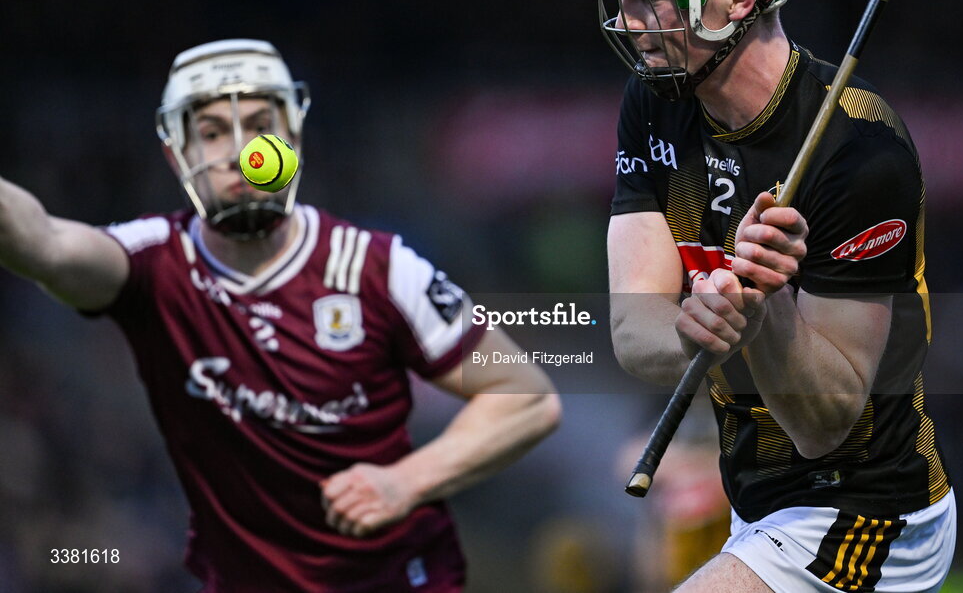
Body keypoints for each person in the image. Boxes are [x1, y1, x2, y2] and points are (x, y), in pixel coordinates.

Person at [0, 38, 561, 592]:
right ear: (177, 155)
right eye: (213, 132)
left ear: (292, 135)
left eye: (260, 125)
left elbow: (525, 396)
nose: (242, 152)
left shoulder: (377, 267)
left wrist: (406, 481)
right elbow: (43, 242)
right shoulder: (152, 263)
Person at [594, 0, 955, 592]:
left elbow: (825, 422)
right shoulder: (655, 103)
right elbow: (635, 331)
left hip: (865, 510)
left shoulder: (859, 150)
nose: (629, 20)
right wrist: (697, 328)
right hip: (755, 504)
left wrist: (767, 309)